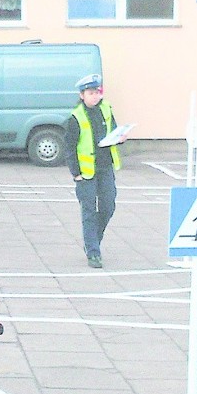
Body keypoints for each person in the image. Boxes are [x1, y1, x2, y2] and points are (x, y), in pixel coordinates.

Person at [64, 73, 127, 269]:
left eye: (97, 92)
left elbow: (113, 130)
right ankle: (93, 253)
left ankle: (93, 240)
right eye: (90, 93)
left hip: (105, 167)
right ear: (82, 95)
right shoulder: (76, 117)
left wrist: (120, 137)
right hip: (86, 172)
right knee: (89, 211)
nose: (95, 96)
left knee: (108, 206)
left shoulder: (106, 109)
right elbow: (70, 147)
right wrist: (76, 173)